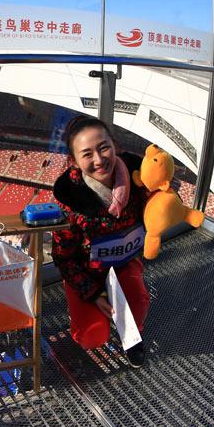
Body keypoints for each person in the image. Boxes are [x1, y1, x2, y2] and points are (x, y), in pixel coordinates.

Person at [51, 116, 151, 368]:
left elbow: (160, 207)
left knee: (137, 304)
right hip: (85, 271)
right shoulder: (70, 198)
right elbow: (64, 257)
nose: (98, 159)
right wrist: (93, 294)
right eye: (87, 154)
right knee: (92, 336)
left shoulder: (139, 178)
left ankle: (132, 334)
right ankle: (93, 308)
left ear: (114, 144)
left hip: (125, 263)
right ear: (74, 161)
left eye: (103, 147)